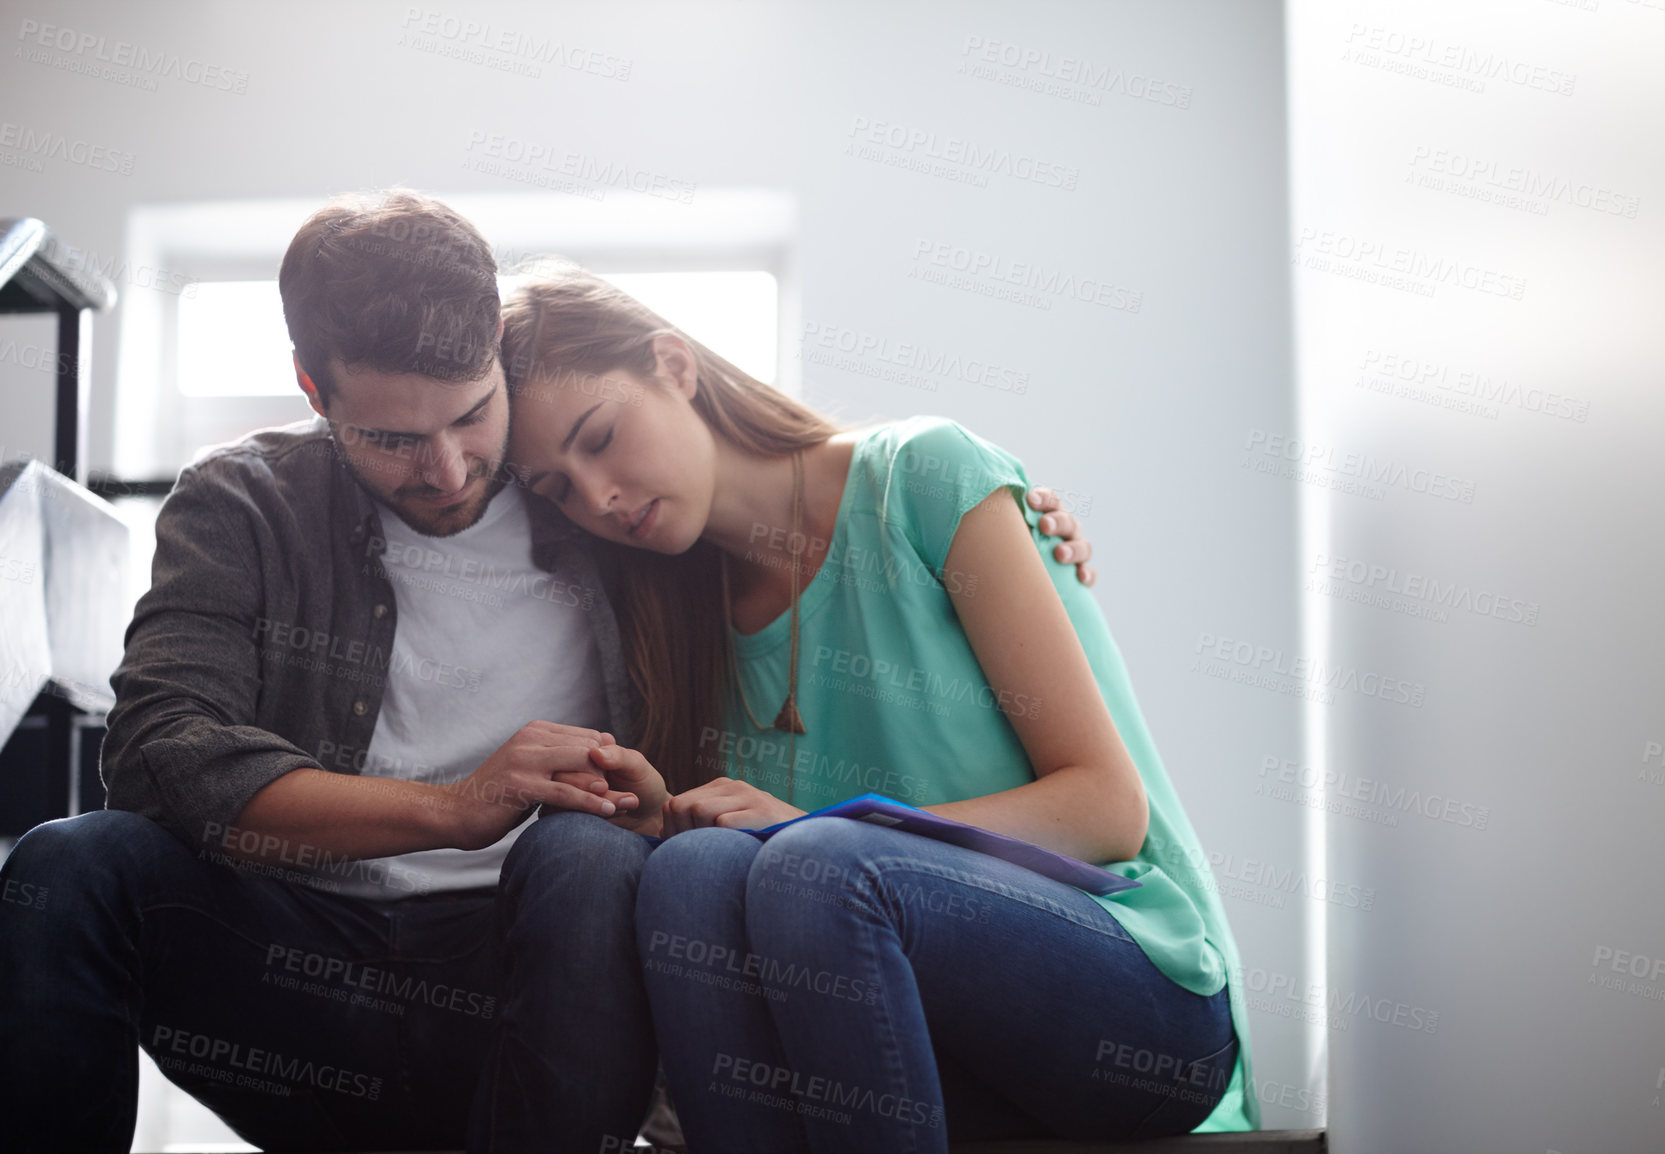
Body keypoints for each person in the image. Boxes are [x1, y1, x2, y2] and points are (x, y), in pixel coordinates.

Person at [0, 188, 1096, 1153]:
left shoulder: (596, 493)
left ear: (499, 354)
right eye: (389, 437)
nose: (446, 469)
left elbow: (792, 489)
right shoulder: (242, 500)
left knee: (583, 854)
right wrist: (454, 804)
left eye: (473, 413)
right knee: (68, 863)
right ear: (311, 386)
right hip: (297, 971)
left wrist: (1009, 513)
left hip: (541, 981)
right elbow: (160, 752)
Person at [499, 263, 1259, 1153]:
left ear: (674, 364)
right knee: (691, 869)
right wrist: (666, 812)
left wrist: (817, 828)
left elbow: (1106, 810)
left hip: (1128, 1006)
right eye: (557, 488)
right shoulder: (671, 627)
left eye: (600, 438)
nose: (599, 498)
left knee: (813, 862)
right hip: (909, 1049)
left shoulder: (922, 477)